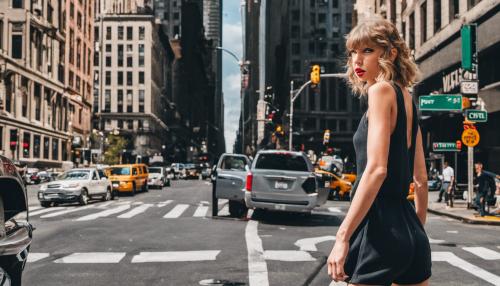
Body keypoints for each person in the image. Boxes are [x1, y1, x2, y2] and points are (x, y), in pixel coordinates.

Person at [327, 17, 431, 285]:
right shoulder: (408, 100)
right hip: (410, 230)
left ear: (391, 53)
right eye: (353, 52)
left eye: (367, 51)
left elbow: (376, 169)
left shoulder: (381, 91)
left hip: (378, 228)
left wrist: (342, 237)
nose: (357, 60)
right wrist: (415, 229)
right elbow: (420, 178)